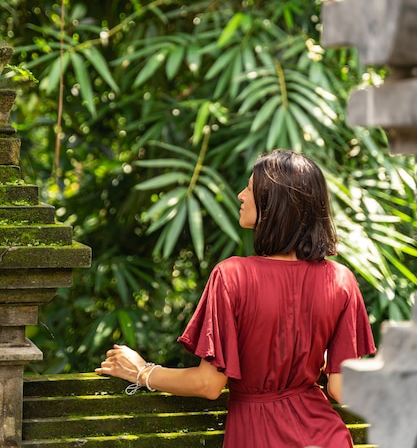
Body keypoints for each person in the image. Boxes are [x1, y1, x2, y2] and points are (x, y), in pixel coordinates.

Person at [96, 149, 376, 448]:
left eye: (250, 189)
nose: (241, 196)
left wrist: (142, 372)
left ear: (275, 205)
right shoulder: (340, 279)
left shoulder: (233, 276)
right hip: (327, 437)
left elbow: (209, 384)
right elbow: (340, 387)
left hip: (259, 437)